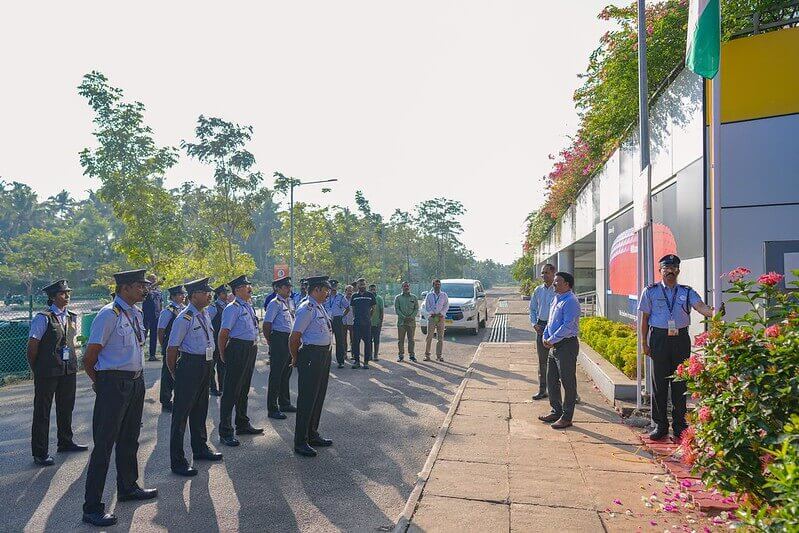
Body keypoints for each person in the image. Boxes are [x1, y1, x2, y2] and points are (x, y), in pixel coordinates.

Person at [82, 269, 158, 527]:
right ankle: (92, 507)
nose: (144, 290)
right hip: (114, 384)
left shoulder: (135, 313)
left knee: (129, 438)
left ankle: (128, 486)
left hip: (136, 382)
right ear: (124, 288)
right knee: (104, 445)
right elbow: (90, 358)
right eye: (139, 286)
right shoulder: (108, 314)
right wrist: (102, 384)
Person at [639, 254, 717, 441]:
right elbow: (644, 318)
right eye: (666, 269)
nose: (670, 272)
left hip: (680, 340)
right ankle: (660, 425)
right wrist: (644, 343)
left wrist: (714, 313)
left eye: (673, 268)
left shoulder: (687, 291)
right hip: (659, 338)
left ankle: (679, 425)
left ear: (678, 271)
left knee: (680, 383)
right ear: (660, 271)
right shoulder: (650, 291)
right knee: (659, 384)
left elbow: (701, 307)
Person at [166, 277, 223, 477]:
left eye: (209, 292)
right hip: (189, 366)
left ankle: (200, 448)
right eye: (205, 292)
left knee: (200, 409)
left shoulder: (204, 313)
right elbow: (172, 348)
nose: (209, 295)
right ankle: (178, 461)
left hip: (205, 365)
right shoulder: (185, 318)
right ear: (193, 296)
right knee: (181, 415)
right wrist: (175, 373)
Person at [27, 279, 87, 467]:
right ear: (53, 297)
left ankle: (65, 441)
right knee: (42, 411)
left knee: (66, 407)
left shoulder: (71, 316)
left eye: (68, 293)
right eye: (62, 293)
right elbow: (32, 347)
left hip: (68, 369)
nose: (67, 296)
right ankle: (40, 452)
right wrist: (37, 368)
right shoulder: (43, 318)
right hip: (47, 371)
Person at [290, 275, 334, 457]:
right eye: (326, 290)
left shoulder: (318, 306)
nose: (328, 293)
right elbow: (294, 337)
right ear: (316, 290)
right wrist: (295, 358)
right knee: (307, 399)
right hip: (311, 355)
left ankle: (312, 434)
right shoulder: (306, 308)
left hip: (323, 355)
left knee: (318, 396)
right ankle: (300, 442)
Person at [217, 275, 263, 447]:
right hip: (237, 349)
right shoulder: (232, 308)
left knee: (244, 388)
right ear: (237, 290)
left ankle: (242, 423)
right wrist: (223, 354)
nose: (250, 288)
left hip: (250, 349)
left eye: (249, 285)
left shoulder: (248, 306)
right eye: (246, 286)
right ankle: (225, 431)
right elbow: (223, 333)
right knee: (231, 391)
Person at [537, 271, 581, 429]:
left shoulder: (571, 301)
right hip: (554, 345)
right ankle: (556, 411)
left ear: (567, 284)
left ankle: (567, 417)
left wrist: (552, 339)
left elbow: (568, 325)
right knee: (551, 380)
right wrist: (546, 336)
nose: (554, 284)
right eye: (554, 281)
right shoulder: (556, 298)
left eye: (557, 281)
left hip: (566, 345)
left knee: (568, 382)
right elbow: (550, 321)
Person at [264, 276, 297, 419]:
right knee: (276, 375)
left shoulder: (289, 302)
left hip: (288, 339)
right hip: (279, 339)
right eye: (286, 286)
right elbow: (267, 325)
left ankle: (284, 403)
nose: (289, 289)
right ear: (278, 289)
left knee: (286, 373)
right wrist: (271, 342)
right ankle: (272, 408)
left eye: (289, 286)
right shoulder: (274, 303)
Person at [157, 285, 187, 412]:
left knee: (182, 373)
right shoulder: (168, 311)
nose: (183, 296)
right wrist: (164, 345)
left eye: (183, 294)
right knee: (168, 374)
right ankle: (165, 400)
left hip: (183, 347)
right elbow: (161, 330)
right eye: (180, 294)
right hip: (171, 346)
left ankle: (179, 398)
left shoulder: (185, 309)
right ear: (173, 297)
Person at [529, 264, 557, 400]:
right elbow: (532, 308)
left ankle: (572, 394)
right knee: (542, 362)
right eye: (542, 273)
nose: (543, 275)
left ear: (553, 273)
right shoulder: (538, 290)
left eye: (546, 272)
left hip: (555, 328)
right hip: (541, 326)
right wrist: (534, 323)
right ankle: (542, 390)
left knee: (561, 362)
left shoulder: (558, 290)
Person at [207, 284, 229, 396]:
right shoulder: (213, 307)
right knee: (211, 364)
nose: (226, 295)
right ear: (219, 295)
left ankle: (222, 387)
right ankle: (212, 387)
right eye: (224, 293)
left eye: (226, 292)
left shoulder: (228, 306)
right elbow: (207, 323)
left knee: (223, 364)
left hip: (224, 340)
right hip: (214, 340)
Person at [350, 278, 376, 369]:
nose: (362, 286)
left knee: (367, 342)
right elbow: (353, 309)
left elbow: (373, 308)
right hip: (357, 323)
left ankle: (366, 362)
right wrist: (356, 317)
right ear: (357, 285)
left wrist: (369, 317)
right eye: (360, 284)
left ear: (366, 285)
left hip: (367, 323)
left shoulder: (370, 295)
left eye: (363, 284)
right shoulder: (354, 296)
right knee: (355, 342)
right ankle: (357, 361)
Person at [323, 279, 350, 368]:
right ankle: (327, 361)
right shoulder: (325, 296)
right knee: (327, 340)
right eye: (332, 286)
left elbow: (347, 308)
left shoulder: (341, 297)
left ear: (337, 287)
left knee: (339, 341)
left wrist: (342, 316)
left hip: (338, 320)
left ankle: (340, 361)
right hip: (328, 320)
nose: (333, 288)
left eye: (335, 286)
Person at [424, 279, 449, 362]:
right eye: (436, 284)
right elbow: (427, 306)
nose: (437, 286)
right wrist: (432, 313)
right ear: (433, 286)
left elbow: (446, 306)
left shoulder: (444, 295)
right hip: (432, 317)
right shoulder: (429, 295)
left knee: (440, 338)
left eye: (439, 284)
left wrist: (441, 313)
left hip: (441, 318)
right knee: (429, 337)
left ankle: (439, 356)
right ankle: (427, 355)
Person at [394, 281, 419, 362]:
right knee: (400, 340)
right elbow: (397, 309)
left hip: (411, 322)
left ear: (409, 287)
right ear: (402, 287)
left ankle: (412, 355)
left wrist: (411, 316)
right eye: (404, 286)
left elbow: (416, 308)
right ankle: (401, 355)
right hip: (401, 322)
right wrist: (404, 317)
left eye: (407, 286)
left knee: (411, 340)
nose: (406, 287)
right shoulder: (398, 298)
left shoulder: (414, 297)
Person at [142, 274, 162, 361]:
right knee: (143, 335)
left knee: (154, 336)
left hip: (156, 316)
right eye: (152, 279)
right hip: (147, 315)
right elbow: (146, 292)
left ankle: (152, 355)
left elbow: (160, 303)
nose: (154, 280)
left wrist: (160, 313)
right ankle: (140, 353)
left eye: (155, 279)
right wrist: (154, 284)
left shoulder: (158, 291)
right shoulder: (145, 289)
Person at [369, 283, 384, 361]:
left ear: (376, 290)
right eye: (371, 289)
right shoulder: (367, 298)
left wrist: (380, 322)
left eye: (374, 289)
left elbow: (381, 311)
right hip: (368, 323)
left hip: (376, 323)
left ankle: (375, 355)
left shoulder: (379, 299)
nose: (373, 291)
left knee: (376, 340)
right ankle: (369, 355)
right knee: (368, 340)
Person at [342, 284, 354, 356]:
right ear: (345, 291)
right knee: (344, 339)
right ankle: (344, 353)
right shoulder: (342, 299)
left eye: (351, 291)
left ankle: (353, 353)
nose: (349, 292)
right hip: (344, 321)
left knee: (353, 338)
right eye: (348, 291)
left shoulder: (354, 299)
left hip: (352, 321)